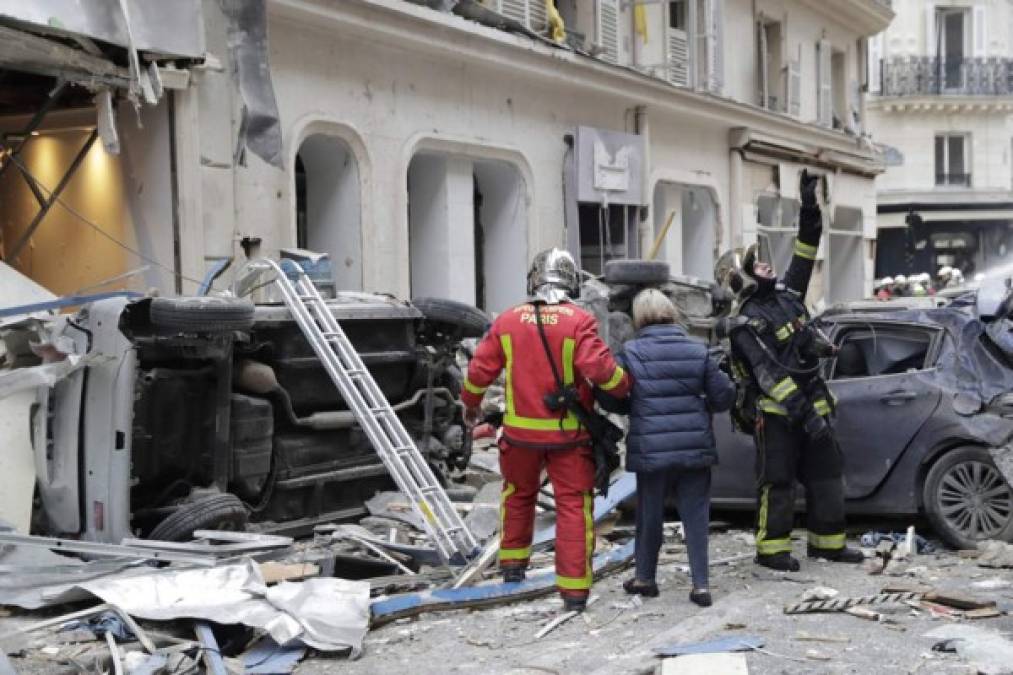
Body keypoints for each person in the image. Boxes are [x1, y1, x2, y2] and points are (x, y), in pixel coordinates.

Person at [460, 248, 631, 612]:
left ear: (534, 278)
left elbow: (478, 373)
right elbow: (601, 371)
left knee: (517, 495)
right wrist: (624, 385)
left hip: (519, 436)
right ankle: (573, 592)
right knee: (572, 507)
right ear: (570, 280)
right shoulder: (579, 320)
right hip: (567, 438)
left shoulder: (507, 321)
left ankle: (512, 567)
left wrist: (471, 406)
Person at [716, 170, 864, 572]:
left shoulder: (788, 296)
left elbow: (807, 247)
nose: (766, 264)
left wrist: (809, 204)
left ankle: (828, 544)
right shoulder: (745, 324)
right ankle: (771, 550)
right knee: (777, 480)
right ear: (742, 277)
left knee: (827, 475)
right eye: (755, 263)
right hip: (779, 414)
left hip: (812, 402)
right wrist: (808, 417)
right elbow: (771, 378)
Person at [603, 289, 734, 607]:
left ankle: (645, 579)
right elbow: (723, 397)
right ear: (672, 312)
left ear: (639, 317)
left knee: (649, 517)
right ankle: (701, 585)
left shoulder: (630, 352)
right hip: (693, 448)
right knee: (696, 517)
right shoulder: (698, 349)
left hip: (651, 452)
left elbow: (614, 401)